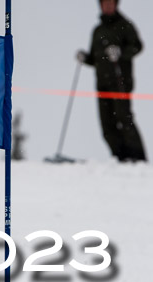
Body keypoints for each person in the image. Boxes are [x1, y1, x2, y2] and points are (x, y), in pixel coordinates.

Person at [77, 0, 146, 162]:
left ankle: (138, 158)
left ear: (116, 5)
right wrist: (84, 58)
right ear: (100, 6)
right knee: (106, 125)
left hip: (120, 82)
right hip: (102, 84)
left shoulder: (125, 25)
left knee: (124, 119)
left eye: (110, 3)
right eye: (104, 3)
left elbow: (137, 46)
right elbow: (95, 59)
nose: (107, 6)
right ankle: (120, 157)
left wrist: (120, 53)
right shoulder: (98, 31)